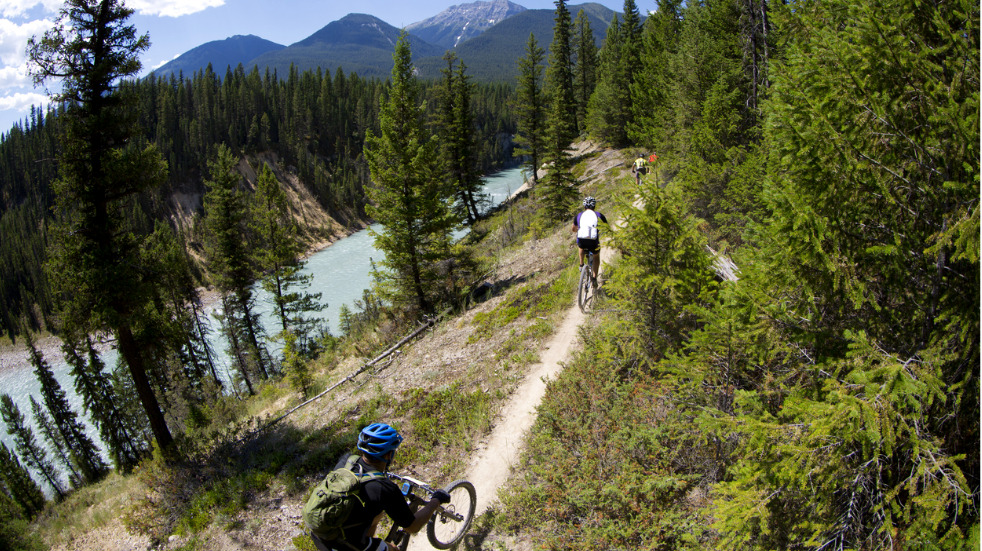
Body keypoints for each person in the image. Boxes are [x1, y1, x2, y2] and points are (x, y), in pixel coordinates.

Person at [310, 423, 450, 551]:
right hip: (346, 545)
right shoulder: (384, 488)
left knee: (378, 513)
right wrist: (435, 501)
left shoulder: (347, 461)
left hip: (321, 535)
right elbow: (412, 527)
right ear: (389, 455)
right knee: (393, 550)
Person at [572, 196, 608, 286]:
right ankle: (594, 278)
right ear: (594, 206)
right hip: (593, 241)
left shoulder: (579, 215)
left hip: (582, 240)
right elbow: (607, 226)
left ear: (584, 206)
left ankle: (581, 265)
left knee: (580, 246)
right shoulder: (598, 215)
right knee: (596, 257)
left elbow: (573, 229)